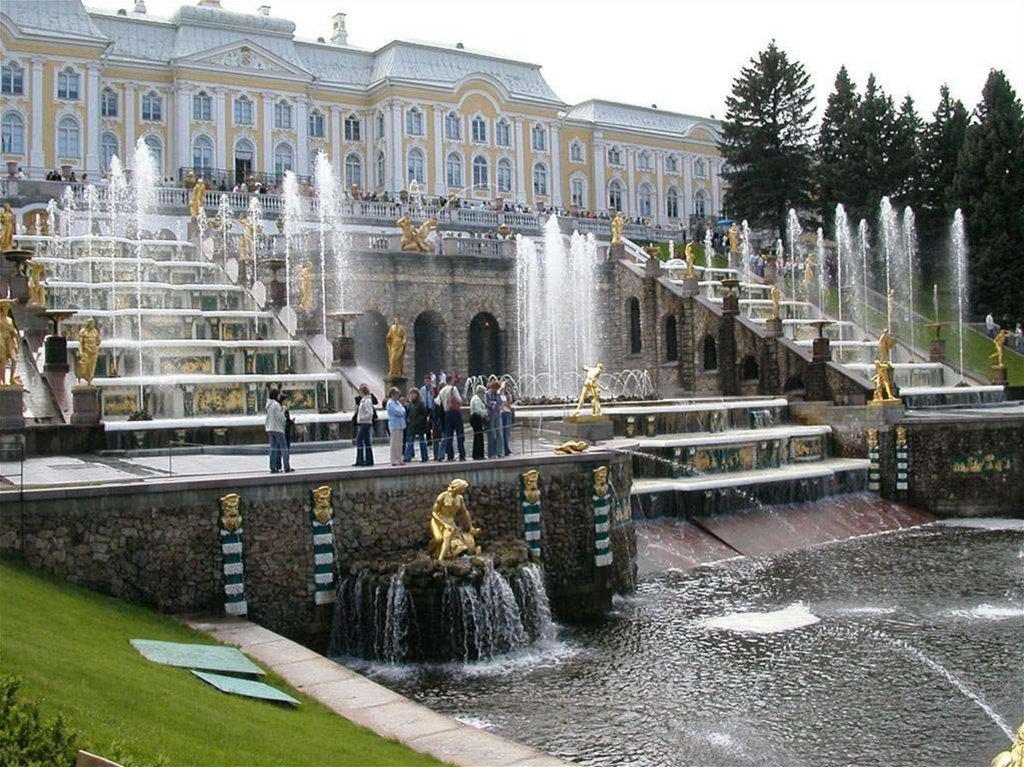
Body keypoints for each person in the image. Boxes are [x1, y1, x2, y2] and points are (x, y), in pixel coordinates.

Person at [438, 376, 466, 461]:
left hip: (447, 413)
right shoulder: (453, 389)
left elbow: (439, 402)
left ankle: (450, 456)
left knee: (448, 435)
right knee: (460, 434)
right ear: (451, 380)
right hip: (455, 413)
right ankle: (462, 455)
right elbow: (459, 400)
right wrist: (462, 400)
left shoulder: (442, 390)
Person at [265, 388, 290, 473]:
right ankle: (287, 467)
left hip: (270, 428)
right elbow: (280, 417)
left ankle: (272, 467)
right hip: (277, 428)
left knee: (273, 448)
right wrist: (284, 410)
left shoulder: (268, 404)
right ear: (276, 395)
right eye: (279, 395)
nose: (279, 396)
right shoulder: (276, 405)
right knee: (284, 448)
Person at [353, 383, 376, 466]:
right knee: (367, 441)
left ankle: (360, 460)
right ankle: (369, 460)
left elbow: (370, 413)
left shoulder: (366, 401)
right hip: (365, 423)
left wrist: (362, 418)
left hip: (365, 423)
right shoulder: (366, 400)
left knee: (359, 441)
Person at [404, 387, 429, 462]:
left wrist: (417, 421)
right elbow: (410, 414)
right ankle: (407, 457)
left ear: (417, 394)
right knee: (410, 441)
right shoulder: (411, 404)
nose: (411, 396)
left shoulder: (421, 403)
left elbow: (424, 414)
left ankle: (424, 457)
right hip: (412, 425)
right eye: (410, 394)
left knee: (421, 441)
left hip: (419, 425)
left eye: (413, 394)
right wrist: (409, 419)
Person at [385, 387, 406, 466]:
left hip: (400, 425)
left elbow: (403, 410)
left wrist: (402, 410)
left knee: (400, 443)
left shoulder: (397, 402)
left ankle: (399, 458)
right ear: (392, 395)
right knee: (394, 443)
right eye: (396, 394)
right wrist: (402, 411)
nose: (398, 396)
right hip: (394, 425)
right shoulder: (390, 403)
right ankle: (394, 460)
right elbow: (398, 412)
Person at [484, 380, 503, 458]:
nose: (496, 390)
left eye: (497, 388)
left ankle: (499, 452)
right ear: (492, 387)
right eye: (495, 388)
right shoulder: (487, 394)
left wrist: (496, 404)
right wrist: (492, 404)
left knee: (499, 433)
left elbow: (500, 402)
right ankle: (491, 453)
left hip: (497, 414)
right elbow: (486, 403)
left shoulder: (497, 394)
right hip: (490, 415)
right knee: (492, 435)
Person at [278, 391, 295, 473]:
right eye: (286, 400)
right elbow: (284, 420)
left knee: (281, 449)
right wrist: (290, 422)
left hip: (282, 430)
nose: (287, 402)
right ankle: (286, 466)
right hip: (284, 431)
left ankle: (280, 466)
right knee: (285, 449)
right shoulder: (283, 409)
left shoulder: (281, 408)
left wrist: (290, 421)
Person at [469, 385, 488, 460]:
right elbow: (478, 410)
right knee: (478, 436)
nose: (484, 395)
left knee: (478, 436)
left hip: (475, 418)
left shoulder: (476, 398)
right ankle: (478, 455)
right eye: (483, 393)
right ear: (480, 392)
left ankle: (477, 454)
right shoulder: (477, 399)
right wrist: (486, 413)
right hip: (476, 418)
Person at [499, 381, 515, 456]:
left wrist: (509, 393)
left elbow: (510, 401)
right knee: (505, 432)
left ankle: (506, 448)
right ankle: (505, 449)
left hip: (508, 413)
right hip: (504, 414)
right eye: (505, 386)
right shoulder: (500, 394)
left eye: (507, 386)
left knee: (507, 433)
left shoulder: (505, 394)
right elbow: (505, 404)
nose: (507, 387)